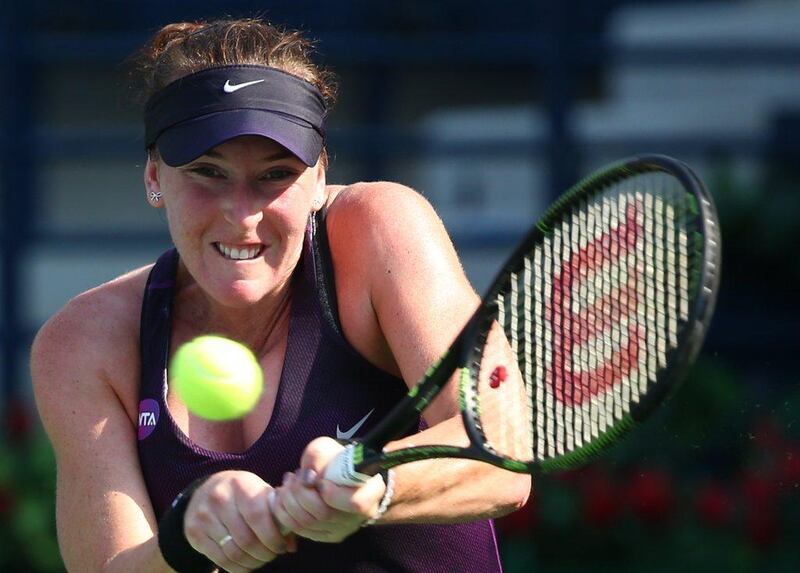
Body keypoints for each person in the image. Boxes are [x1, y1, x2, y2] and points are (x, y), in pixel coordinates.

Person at [30, 18, 530, 573]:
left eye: (275, 174)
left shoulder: (379, 232)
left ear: (319, 178)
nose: (243, 215)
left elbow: (502, 454)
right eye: (206, 171)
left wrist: (377, 486)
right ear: (153, 176)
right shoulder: (83, 343)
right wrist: (185, 537)